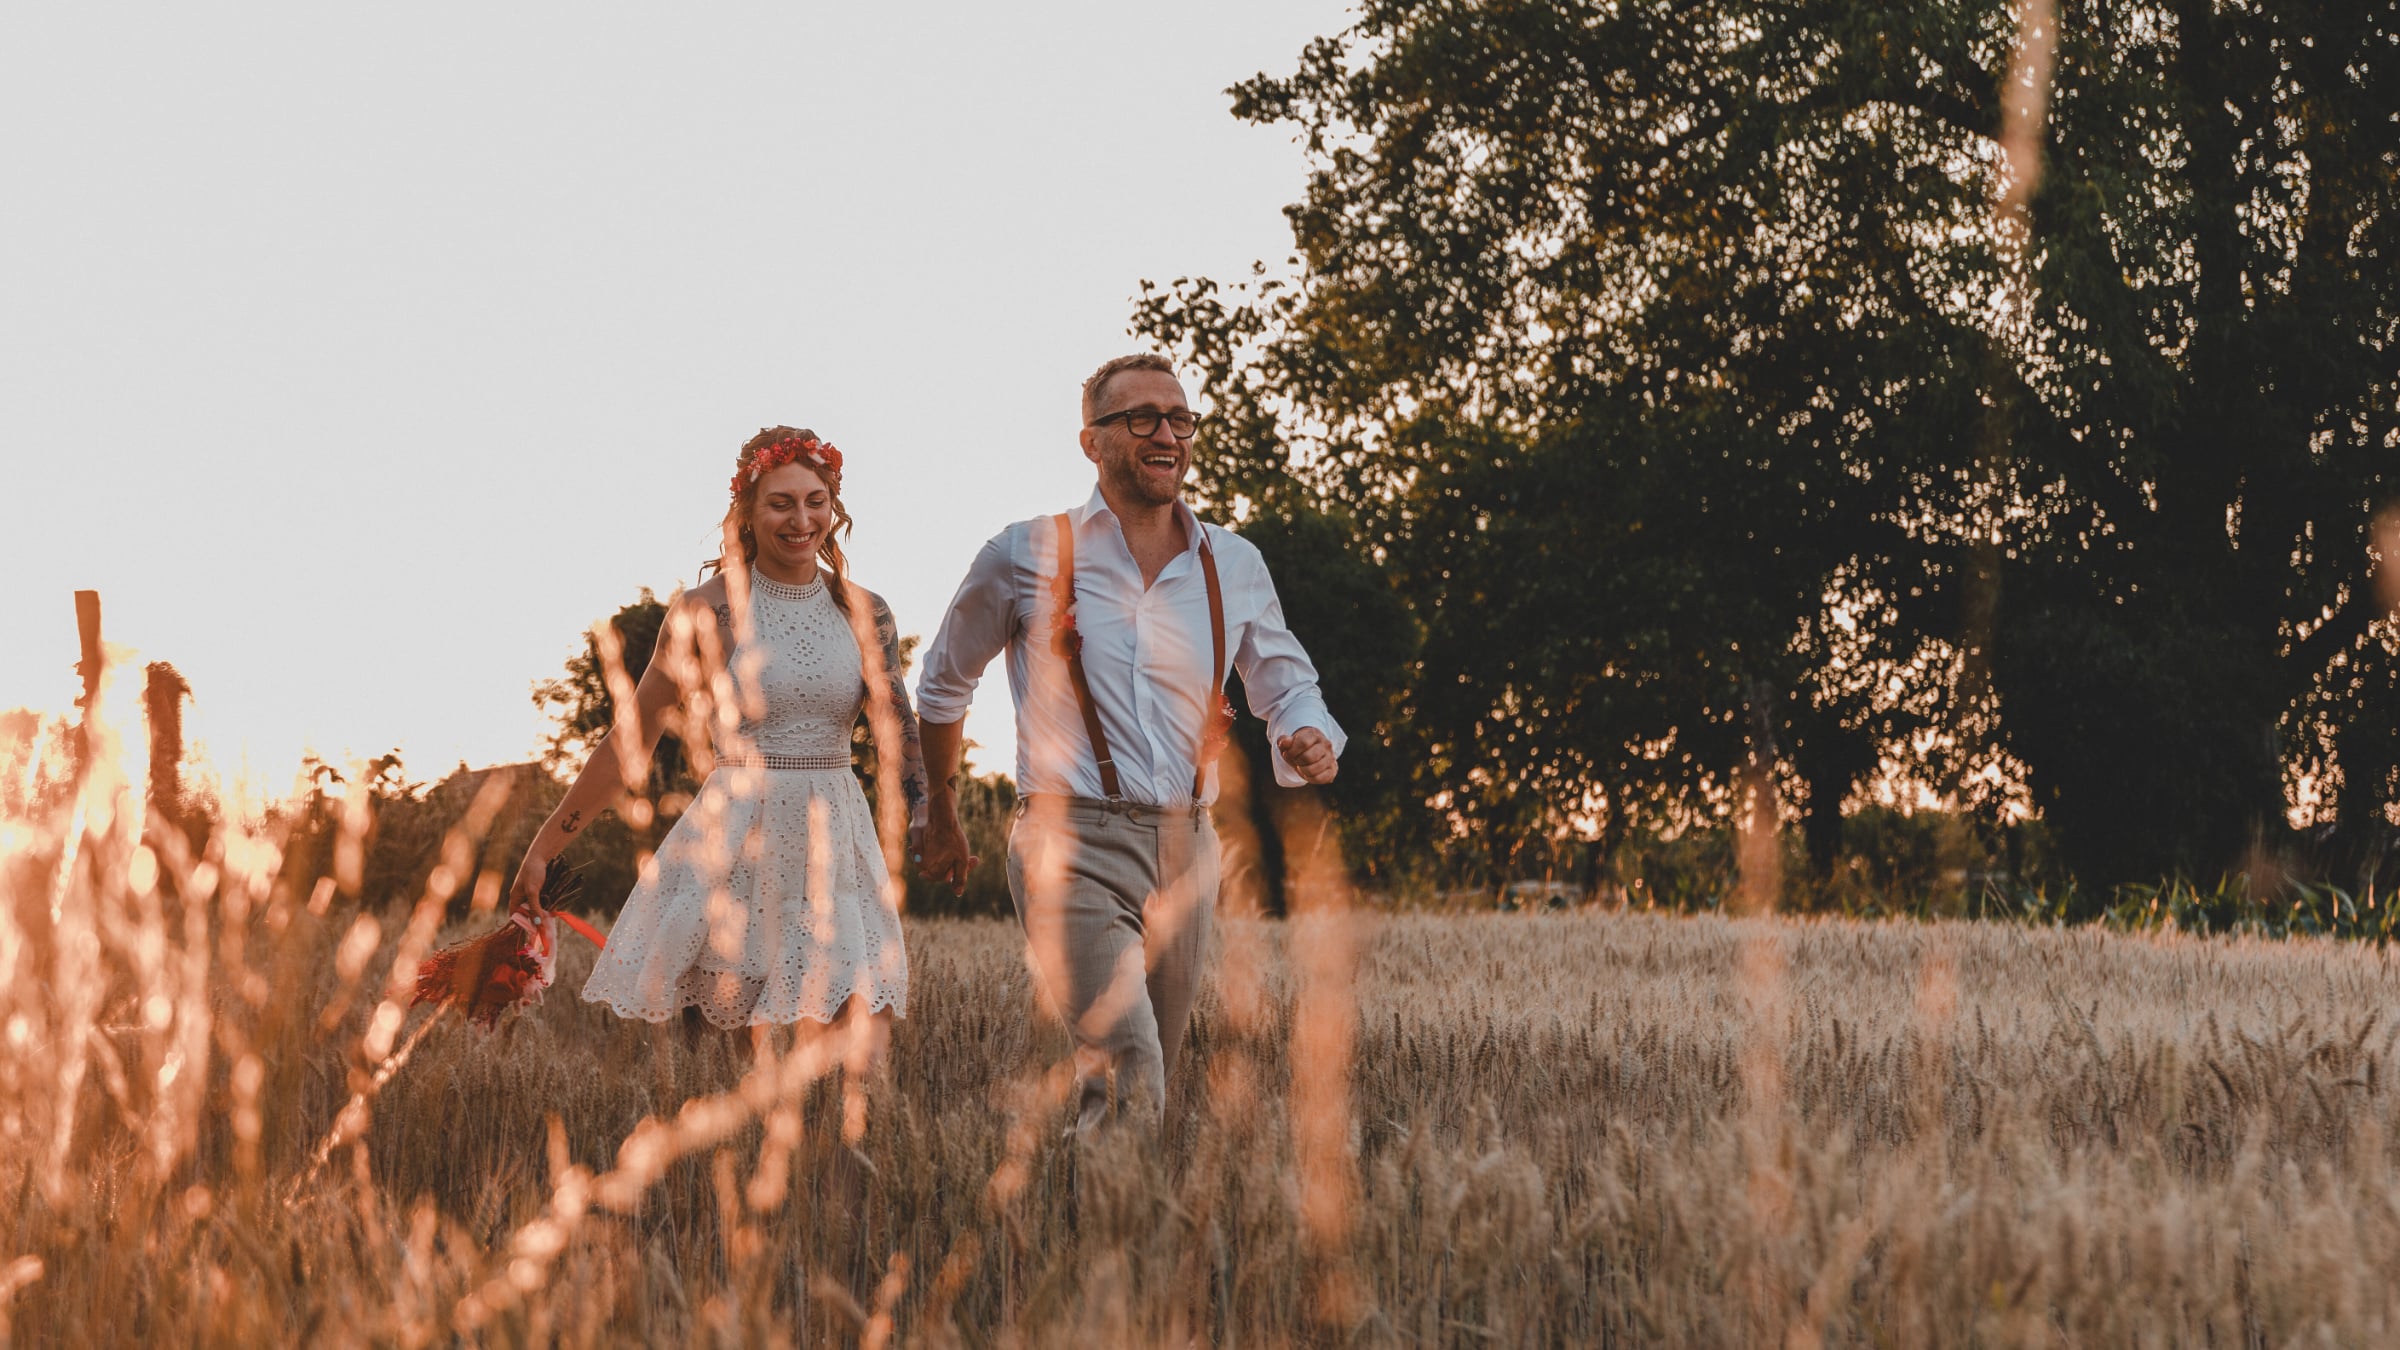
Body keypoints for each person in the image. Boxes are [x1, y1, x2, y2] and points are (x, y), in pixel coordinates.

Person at [914, 353, 1343, 1133]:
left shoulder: (1233, 563)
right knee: (1127, 1064)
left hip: (1188, 844)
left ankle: (1103, 1242)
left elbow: (1284, 679)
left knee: (1151, 1080)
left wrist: (1305, 730)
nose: (1166, 434)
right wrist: (939, 807)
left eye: (1180, 419)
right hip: (1066, 838)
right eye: (1141, 418)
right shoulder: (1023, 553)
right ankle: (1108, 1244)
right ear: (1093, 442)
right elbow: (944, 683)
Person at [509, 426, 926, 1064]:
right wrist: (544, 851)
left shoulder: (867, 613)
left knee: (850, 1052)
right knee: (723, 1059)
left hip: (836, 839)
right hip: (733, 841)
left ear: (833, 507)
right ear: (748, 513)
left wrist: (933, 818)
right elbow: (630, 741)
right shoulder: (704, 611)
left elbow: (899, 731)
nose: (801, 518)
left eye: (816, 500)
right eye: (780, 502)